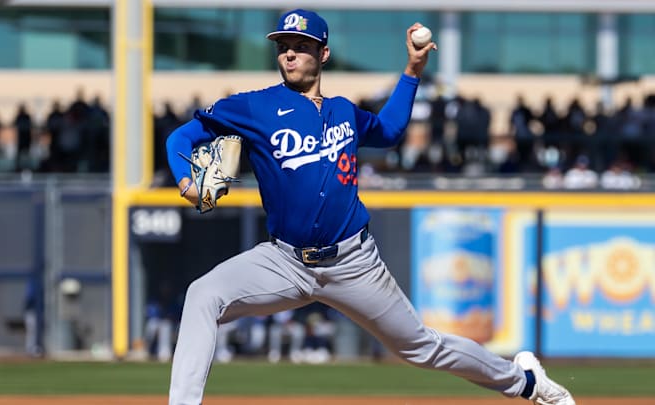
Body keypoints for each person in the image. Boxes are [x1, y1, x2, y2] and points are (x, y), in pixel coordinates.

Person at [165, 9, 575, 405]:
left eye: (301, 45)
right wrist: (186, 179)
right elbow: (179, 138)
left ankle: (525, 383)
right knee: (203, 295)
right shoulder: (252, 107)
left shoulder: (344, 111)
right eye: (283, 46)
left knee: (421, 347)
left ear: (323, 54)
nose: (289, 53)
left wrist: (413, 71)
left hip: (353, 263)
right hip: (284, 261)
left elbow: (392, 130)